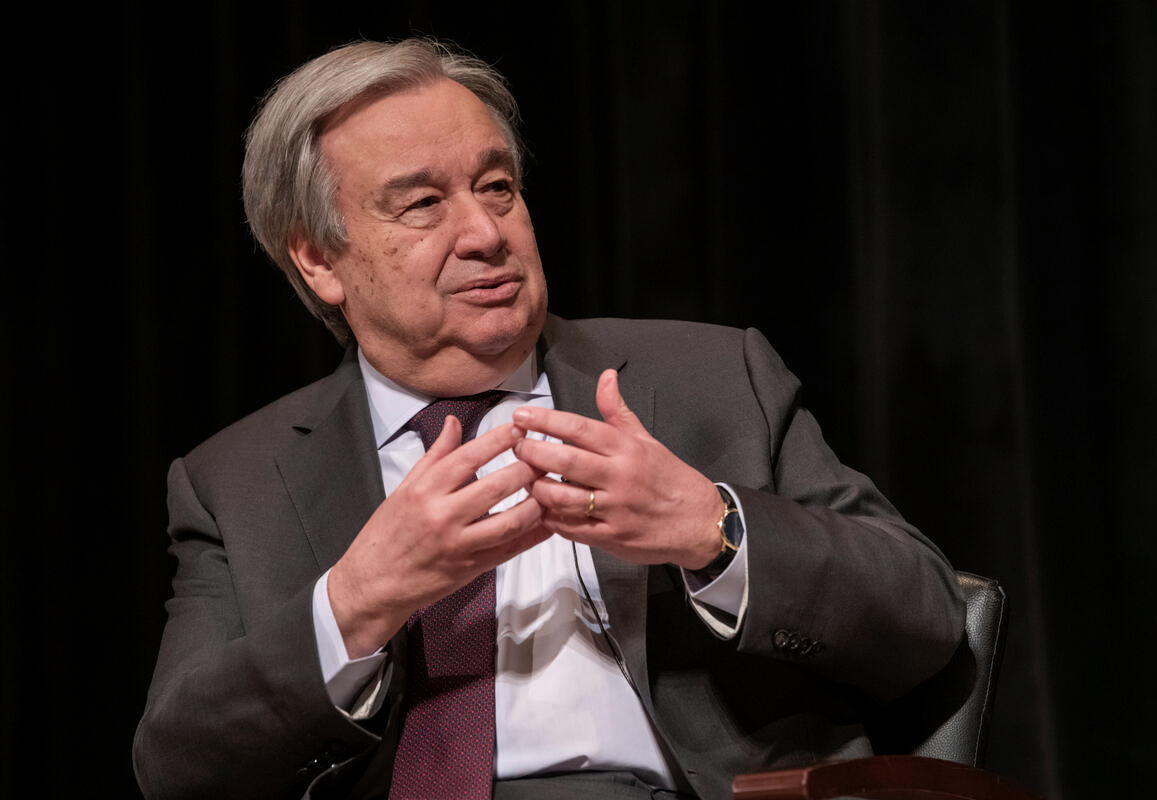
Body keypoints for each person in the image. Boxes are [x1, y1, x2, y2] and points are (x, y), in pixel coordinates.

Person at [134, 38, 965, 800]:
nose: (484, 233)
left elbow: (927, 619)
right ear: (318, 259)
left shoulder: (712, 379)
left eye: (497, 187)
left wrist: (713, 530)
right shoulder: (236, 481)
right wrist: (355, 601)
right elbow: (177, 765)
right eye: (422, 204)